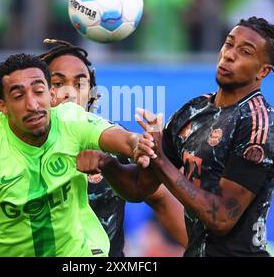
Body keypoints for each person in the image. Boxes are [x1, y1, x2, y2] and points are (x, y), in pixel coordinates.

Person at [0, 53, 141, 257]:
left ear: (51, 94)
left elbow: (124, 139)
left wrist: (139, 142)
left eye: (39, 91)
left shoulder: (72, 120)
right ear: (2, 106)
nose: (32, 105)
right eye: (18, 96)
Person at [133, 16, 274, 256]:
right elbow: (141, 187)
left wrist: (160, 159)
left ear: (263, 71)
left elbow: (222, 218)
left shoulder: (257, 124)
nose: (229, 55)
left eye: (245, 51)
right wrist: (116, 157)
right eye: (228, 44)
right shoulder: (194, 110)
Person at [38, 38, 187, 256]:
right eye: (58, 83)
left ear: (91, 93)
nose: (69, 92)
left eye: (80, 84)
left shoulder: (111, 142)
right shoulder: (21, 143)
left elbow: (161, 198)